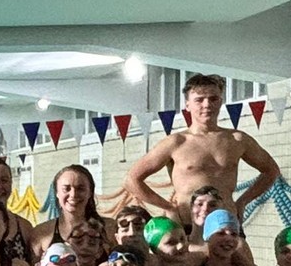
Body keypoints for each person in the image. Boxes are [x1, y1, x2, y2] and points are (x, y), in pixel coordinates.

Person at [113, 73, 280, 220]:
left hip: (226, 223)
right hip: (187, 224)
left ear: (220, 102)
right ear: (187, 105)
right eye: (199, 100)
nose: (207, 105)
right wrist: (168, 207)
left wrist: (243, 201)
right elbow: (131, 180)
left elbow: (271, 171)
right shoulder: (176, 142)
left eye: (213, 99)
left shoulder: (237, 140)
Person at [27, 164, 105, 261]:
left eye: (80, 189)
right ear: (57, 193)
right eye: (66, 189)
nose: (73, 194)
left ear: (90, 192)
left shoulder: (108, 229)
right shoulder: (41, 233)